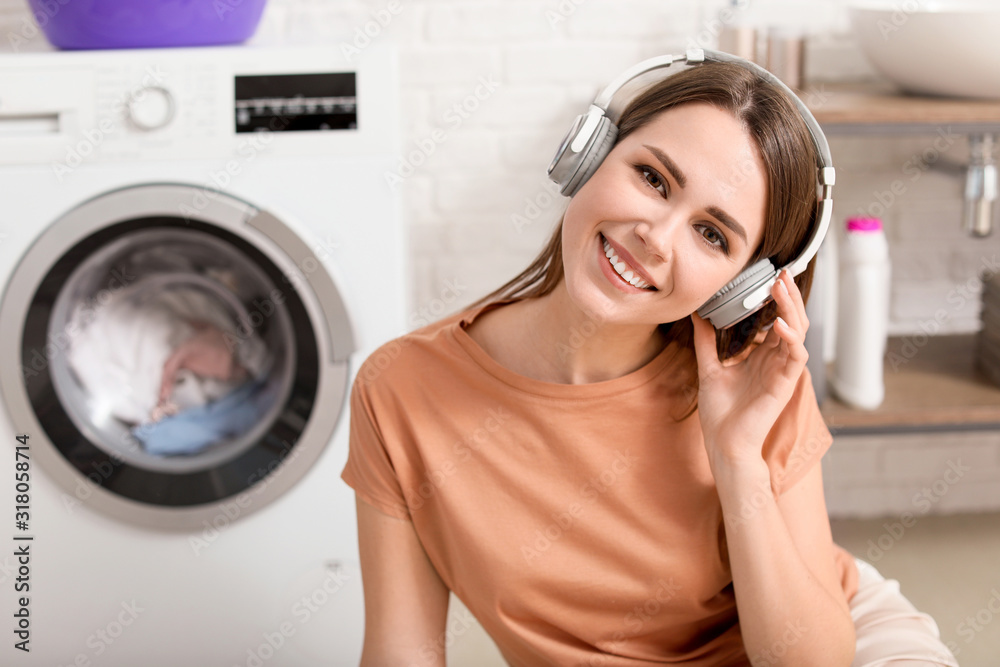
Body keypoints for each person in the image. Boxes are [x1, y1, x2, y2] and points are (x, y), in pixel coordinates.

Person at [341, 54, 956, 666]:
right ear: (590, 153)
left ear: (737, 288)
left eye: (712, 234)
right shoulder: (400, 391)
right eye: (653, 179)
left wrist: (737, 458)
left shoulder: (756, 386)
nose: (655, 237)